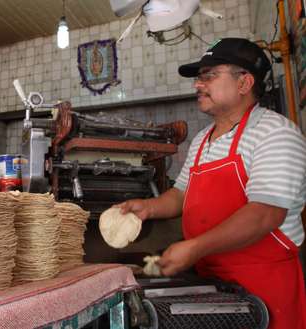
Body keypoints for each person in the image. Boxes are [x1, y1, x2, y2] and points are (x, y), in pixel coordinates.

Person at [118, 38, 306, 328]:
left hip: (264, 287)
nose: (198, 85)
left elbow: (264, 215)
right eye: (198, 77)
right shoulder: (202, 139)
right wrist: (148, 208)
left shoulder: (275, 134)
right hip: (212, 284)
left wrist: (194, 248)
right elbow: (182, 194)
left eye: (209, 76)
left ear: (244, 83)